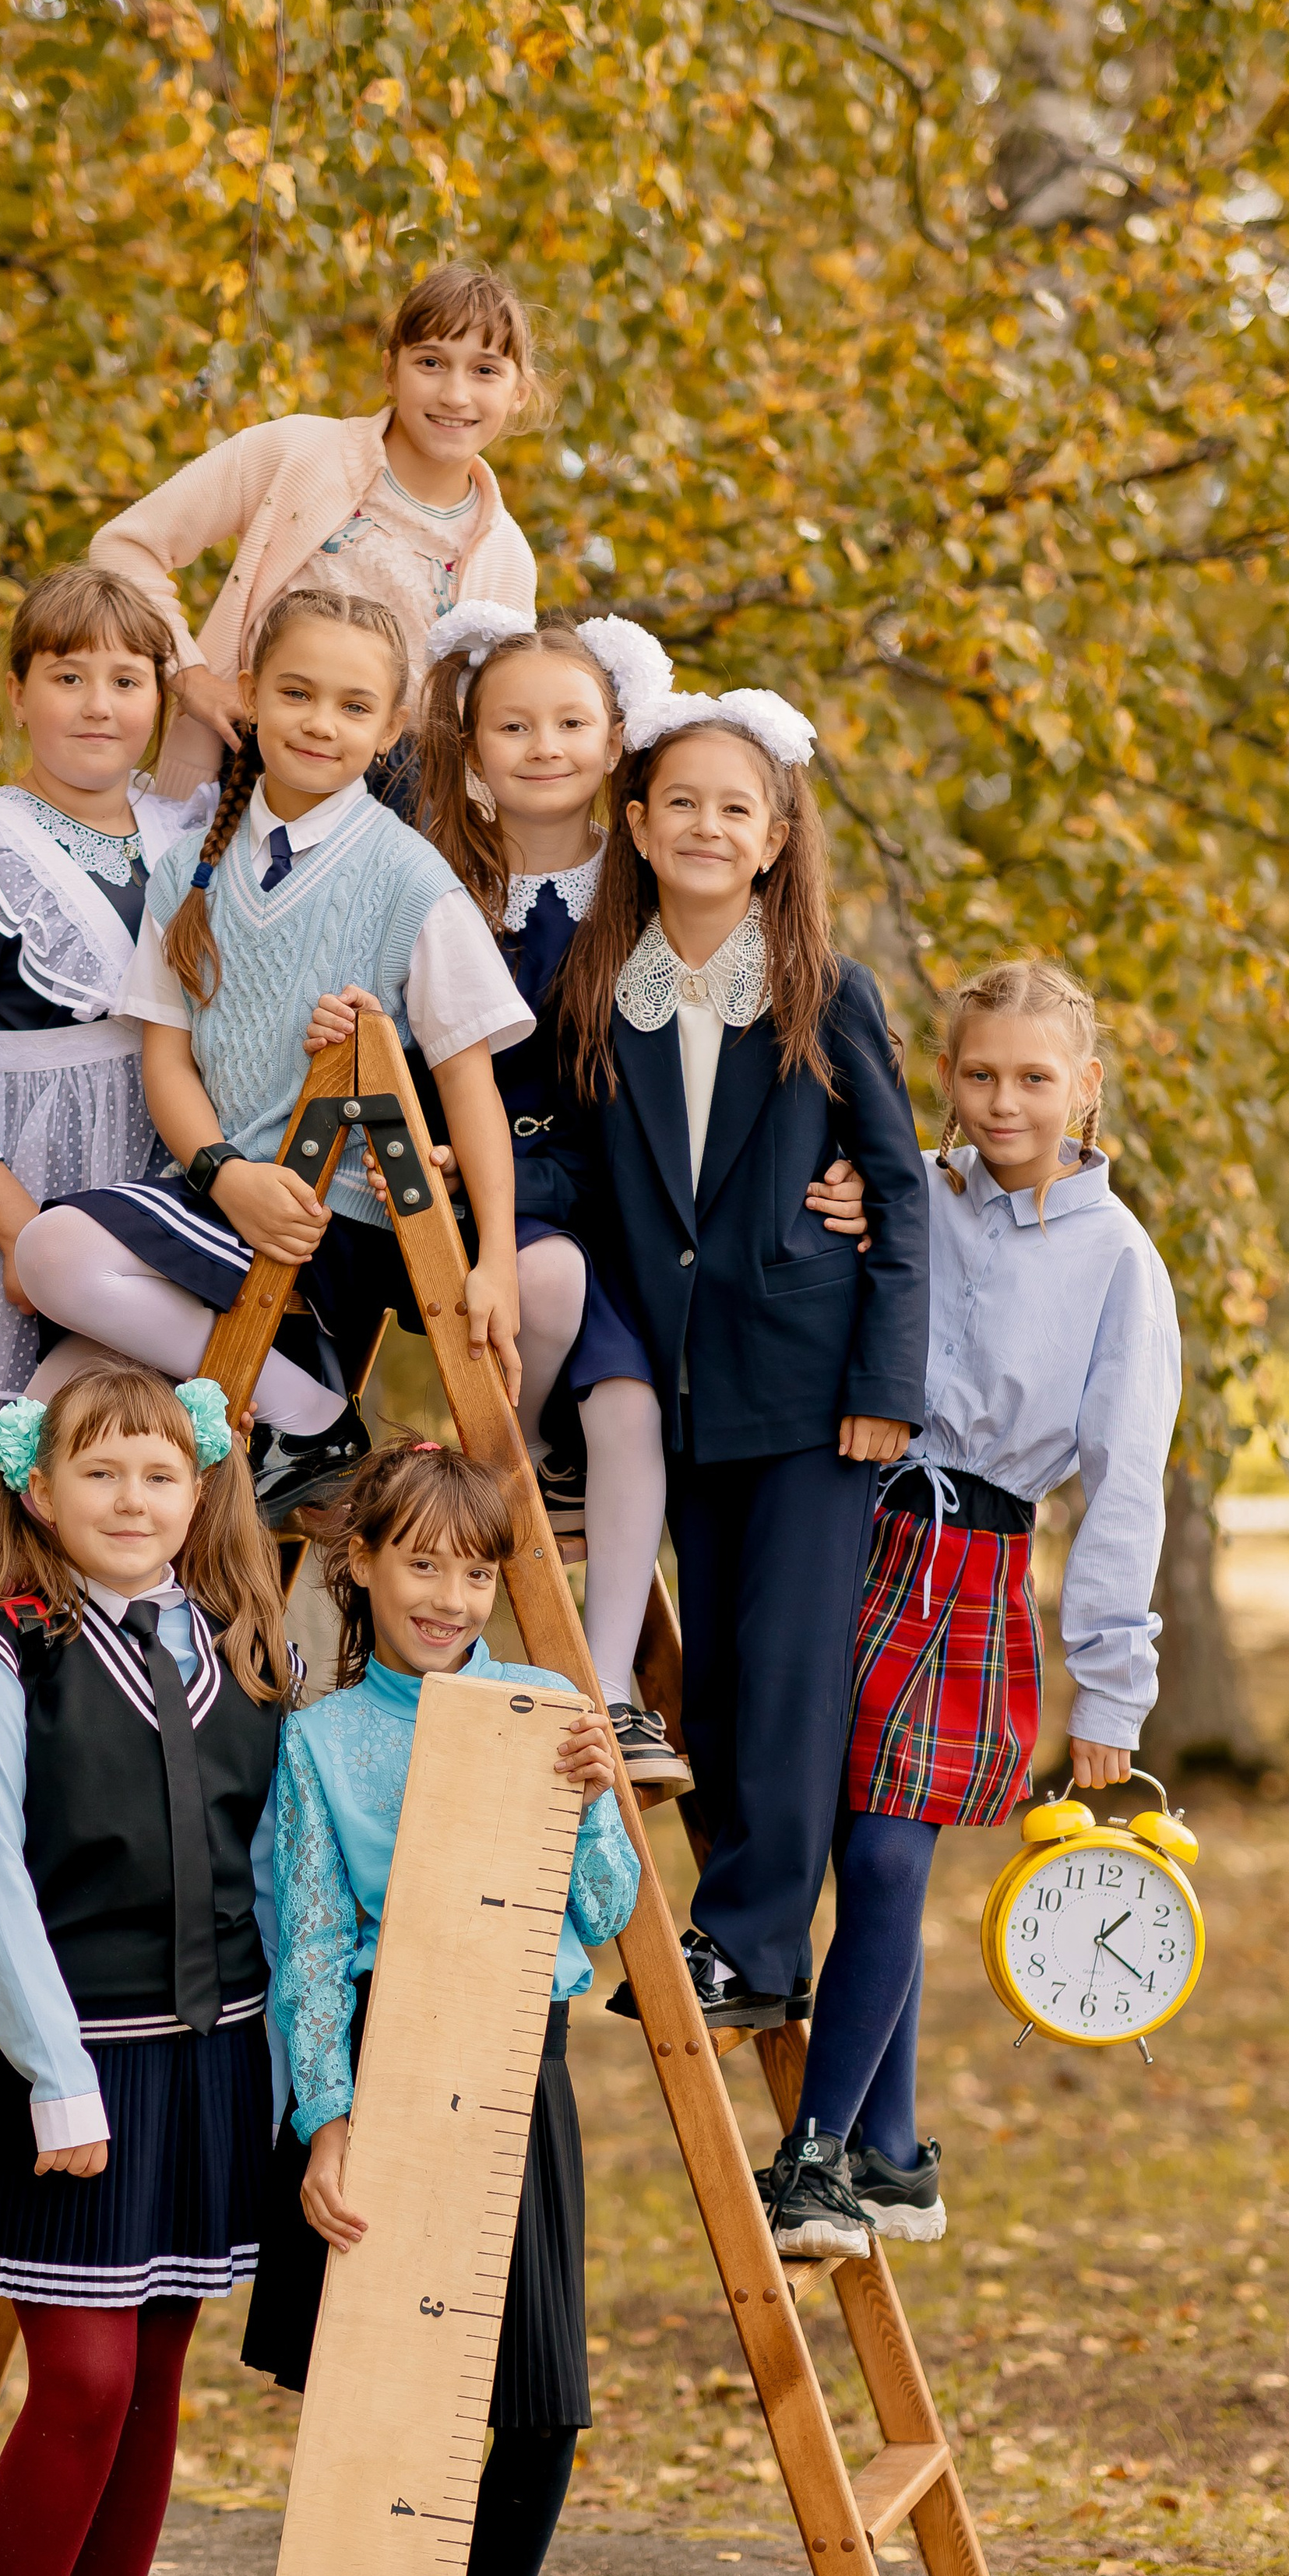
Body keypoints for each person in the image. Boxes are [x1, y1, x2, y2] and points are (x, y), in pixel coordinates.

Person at [314, 602, 868, 1781]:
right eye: (511, 725)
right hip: (464, 1204)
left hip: (603, 1202)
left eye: (572, 722)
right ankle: (510, 1458)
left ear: (618, 743)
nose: (545, 746)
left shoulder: (641, 887)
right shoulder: (433, 875)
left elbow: (718, 1058)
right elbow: (395, 1022)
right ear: (470, 743)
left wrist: (861, 1173)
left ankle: (607, 1690)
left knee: (625, 1407)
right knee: (541, 1277)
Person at [241, 1441, 639, 2576]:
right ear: (360, 1564)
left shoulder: (543, 1708)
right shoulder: (325, 1739)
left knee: (540, 2402)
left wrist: (594, 1801)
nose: (451, 1597)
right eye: (421, 1562)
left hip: (517, 2069)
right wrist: (327, 2122)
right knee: (383, 2400)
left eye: (477, 1571)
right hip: (381, 2068)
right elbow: (306, 1940)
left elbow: (602, 1912)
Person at [0, 1362, 294, 2576]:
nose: (130, 1500)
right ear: (38, 1489)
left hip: (215, 2063)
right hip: (65, 2071)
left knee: (154, 2382)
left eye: (157, 1474)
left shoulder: (245, 1645)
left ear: (196, 1491)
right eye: (99, 1473)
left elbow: (283, 1860)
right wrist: (52, 2072)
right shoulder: (0, 1655)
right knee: (79, 2376)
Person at [773, 958, 1182, 2258]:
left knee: (893, 1857)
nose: (1006, 1101)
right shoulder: (916, 1199)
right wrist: (848, 1200)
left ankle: (817, 2155)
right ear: (947, 1082)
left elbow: (1125, 1487)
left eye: (1036, 1078)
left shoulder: (1121, 1261)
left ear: (1087, 1089)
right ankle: (895, 2160)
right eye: (982, 1074)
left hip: (975, 1568)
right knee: (844, 1852)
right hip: (851, 1529)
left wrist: (1112, 1689)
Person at [569, 687, 931, 2119]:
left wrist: (887, 1386)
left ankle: (755, 1942)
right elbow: (590, 1182)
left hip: (813, 1393)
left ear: (777, 837)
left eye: (739, 807)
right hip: (676, 1392)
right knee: (709, 1671)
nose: (710, 826)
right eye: (684, 804)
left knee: (788, 1671)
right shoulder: (604, 994)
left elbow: (895, 1192)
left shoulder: (827, 989)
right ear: (640, 826)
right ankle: (750, 1926)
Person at [9, 587, 535, 1519]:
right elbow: (166, 1064)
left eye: (353, 706)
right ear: (249, 693)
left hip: (338, 1226)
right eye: (295, 694)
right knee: (49, 1417)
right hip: (227, 1207)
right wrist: (221, 1174)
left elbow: (469, 1082)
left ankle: (318, 1420)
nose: (320, 724)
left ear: (393, 729)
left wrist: (493, 1257)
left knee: (49, 1250)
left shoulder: (409, 877)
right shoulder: (190, 872)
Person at [0, 565, 215, 1406]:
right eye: (68, 678)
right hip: (20, 1214)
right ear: (18, 694)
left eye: (127, 681)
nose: (99, 705)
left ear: (158, 702)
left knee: (155, 1470)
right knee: (11, 1480)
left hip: (167, 1208)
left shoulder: (192, 838)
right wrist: (25, 1241)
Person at [90, 262, 541, 801]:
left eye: (485, 371)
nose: (455, 394)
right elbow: (123, 548)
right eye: (430, 362)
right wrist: (190, 676)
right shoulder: (297, 453)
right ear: (390, 370)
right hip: (248, 776)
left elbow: (491, 732)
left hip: (407, 813)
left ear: (519, 392)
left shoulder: (508, 559)